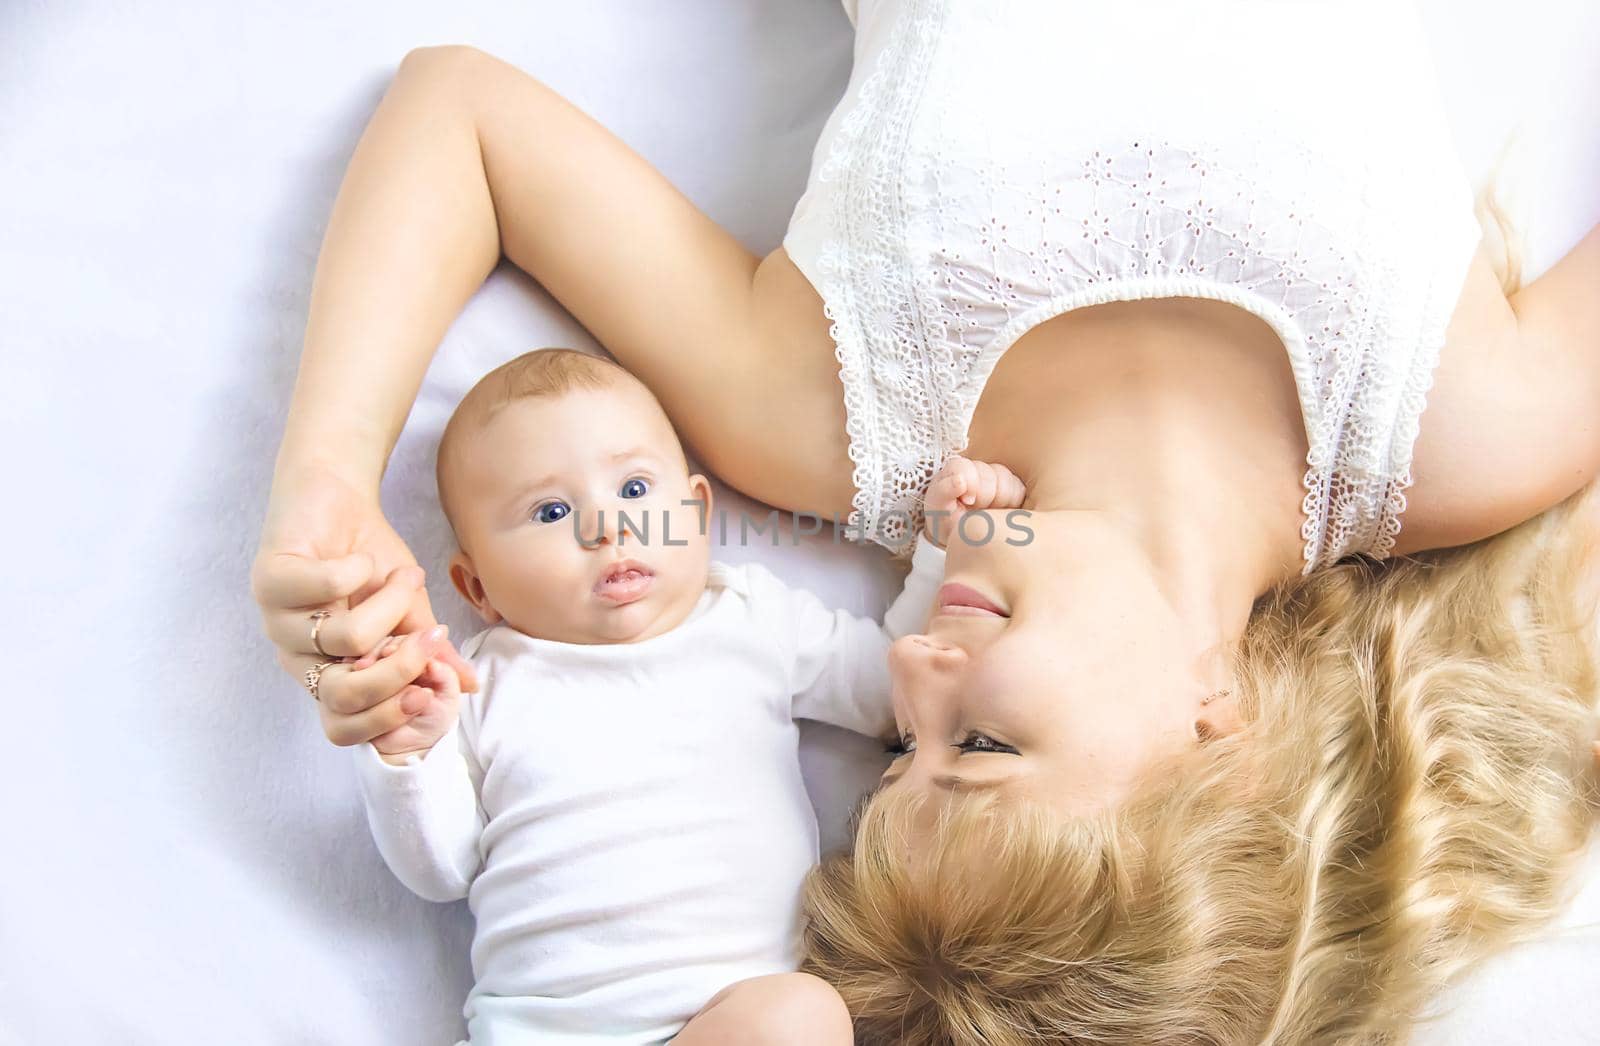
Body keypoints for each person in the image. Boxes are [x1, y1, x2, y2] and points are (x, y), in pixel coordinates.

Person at [253, 0, 1600, 1039]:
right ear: (1222, 744)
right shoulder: (1468, 431)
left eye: (902, 747)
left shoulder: (828, 417)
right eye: (986, 739)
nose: (904, 667)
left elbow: (462, 116)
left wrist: (327, 485)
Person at [340, 347, 994, 1043]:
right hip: (542, 1030)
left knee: (802, 1015)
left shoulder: (751, 620)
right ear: (478, 590)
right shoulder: (477, 684)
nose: (607, 528)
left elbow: (893, 688)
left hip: (730, 1021)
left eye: (633, 490)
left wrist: (942, 550)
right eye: (551, 510)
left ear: (696, 511)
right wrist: (410, 753)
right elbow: (442, 869)